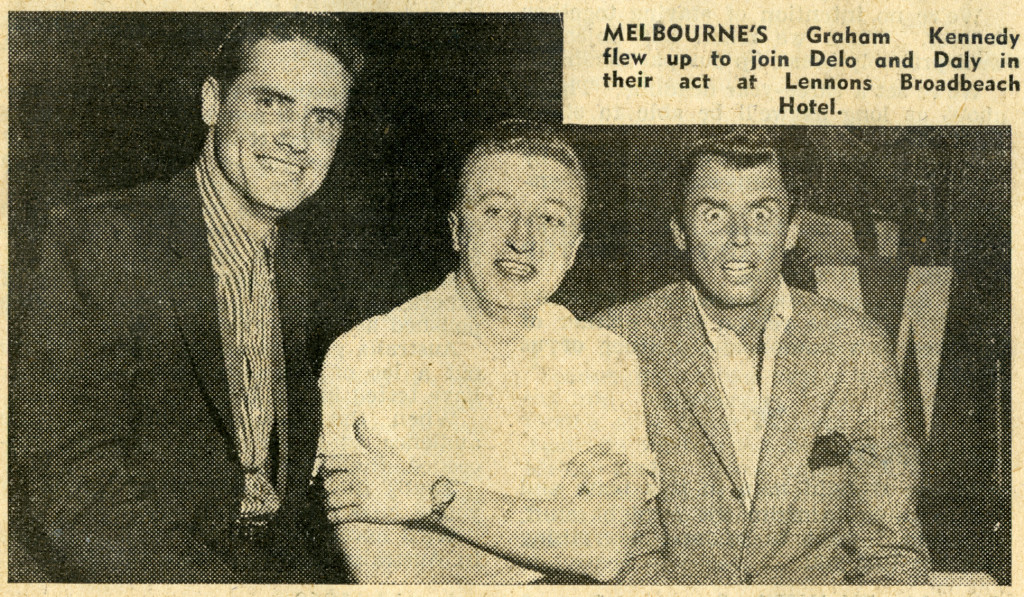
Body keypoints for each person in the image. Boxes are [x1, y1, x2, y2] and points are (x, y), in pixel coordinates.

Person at [9, 13, 372, 582]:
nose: (296, 140)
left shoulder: (300, 267)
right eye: (271, 104)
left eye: (323, 119)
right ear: (212, 103)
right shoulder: (100, 239)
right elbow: (70, 494)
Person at [316, 120, 658, 584]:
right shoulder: (367, 354)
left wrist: (431, 497)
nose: (523, 239)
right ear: (457, 229)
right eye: (497, 211)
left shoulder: (605, 358)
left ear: (575, 249)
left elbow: (601, 550)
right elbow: (387, 574)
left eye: (550, 218)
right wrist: (553, 525)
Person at [591, 131, 931, 584]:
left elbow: (891, 551)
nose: (739, 238)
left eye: (762, 214)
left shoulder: (857, 346)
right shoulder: (614, 345)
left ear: (792, 231)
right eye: (714, 214)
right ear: (679, 232)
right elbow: (621, 555)